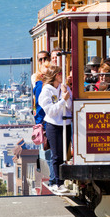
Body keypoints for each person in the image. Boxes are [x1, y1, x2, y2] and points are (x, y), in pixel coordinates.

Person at [39, 65, 72, 193]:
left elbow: (70, 107)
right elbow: (51, 111)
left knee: (64, 154)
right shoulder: (46, 91)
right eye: (60, 74)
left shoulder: (65, 88)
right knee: (56, 155)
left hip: (66, 123)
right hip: (53, 125)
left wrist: (65, 95)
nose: (62, 76)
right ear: (55, 76)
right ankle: (56, 182)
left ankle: (61, 182)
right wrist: (63, 100)